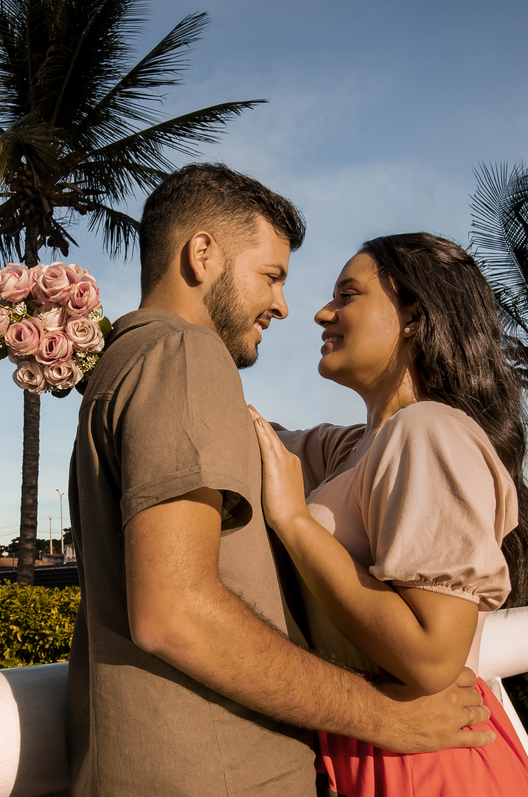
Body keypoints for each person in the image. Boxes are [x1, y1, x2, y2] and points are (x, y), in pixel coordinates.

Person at [67, 169, 495, 797]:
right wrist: (383, 716)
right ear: (203, 253)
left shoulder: (142, 365)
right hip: (218, 773)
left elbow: (272, 441)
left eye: (344, 295)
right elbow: (175, 612)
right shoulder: (186, 355)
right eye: (272, 276)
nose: (290, 307)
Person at [249, 232, 528, 796]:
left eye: (348, 294)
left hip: (425, 760)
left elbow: (434, 658)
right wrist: (87, 344)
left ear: (413, 316)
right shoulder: (362, 446)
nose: (321, 312)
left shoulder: (426, 432)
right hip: (385, 745)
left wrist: (295, 522)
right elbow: (252, 434)